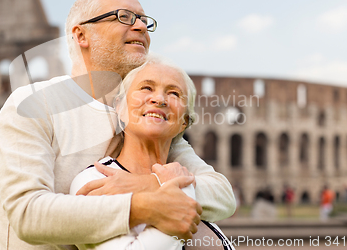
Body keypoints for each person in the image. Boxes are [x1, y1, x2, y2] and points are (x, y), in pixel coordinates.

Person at [0, 0, 236, 250]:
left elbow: (221, 194)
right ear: (81, 35)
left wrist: (148, 184)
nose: (141, 26)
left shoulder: (142, 117)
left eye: (144, 19)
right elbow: (27, 214)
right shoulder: (34, 103)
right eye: (124, 17)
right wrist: (145, 206)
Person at [70, 55, 233, 250]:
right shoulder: (95, 179)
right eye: (146, 87)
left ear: (185, 121)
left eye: (174, 93)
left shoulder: (184, 175)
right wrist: (180, 190)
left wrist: (158, 184)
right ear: (120, 108)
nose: (159, 99)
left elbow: (225, 198)